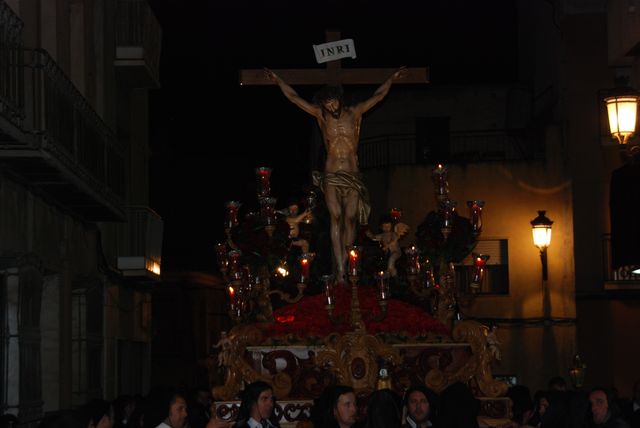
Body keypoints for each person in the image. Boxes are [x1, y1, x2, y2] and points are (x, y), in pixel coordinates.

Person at [265, 66, 407, 282]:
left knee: (350, 220)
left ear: (339, 99)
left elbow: (378, 96)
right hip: (331, 173)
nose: (331, 107)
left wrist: (392, 79)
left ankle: (351, 267)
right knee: (336, 218)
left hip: (352, 173)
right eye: (327, 104)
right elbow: (294, 98)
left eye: (333, 102)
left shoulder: (355, 112)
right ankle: (340, 270)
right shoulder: (321, 115)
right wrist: (278, 80)